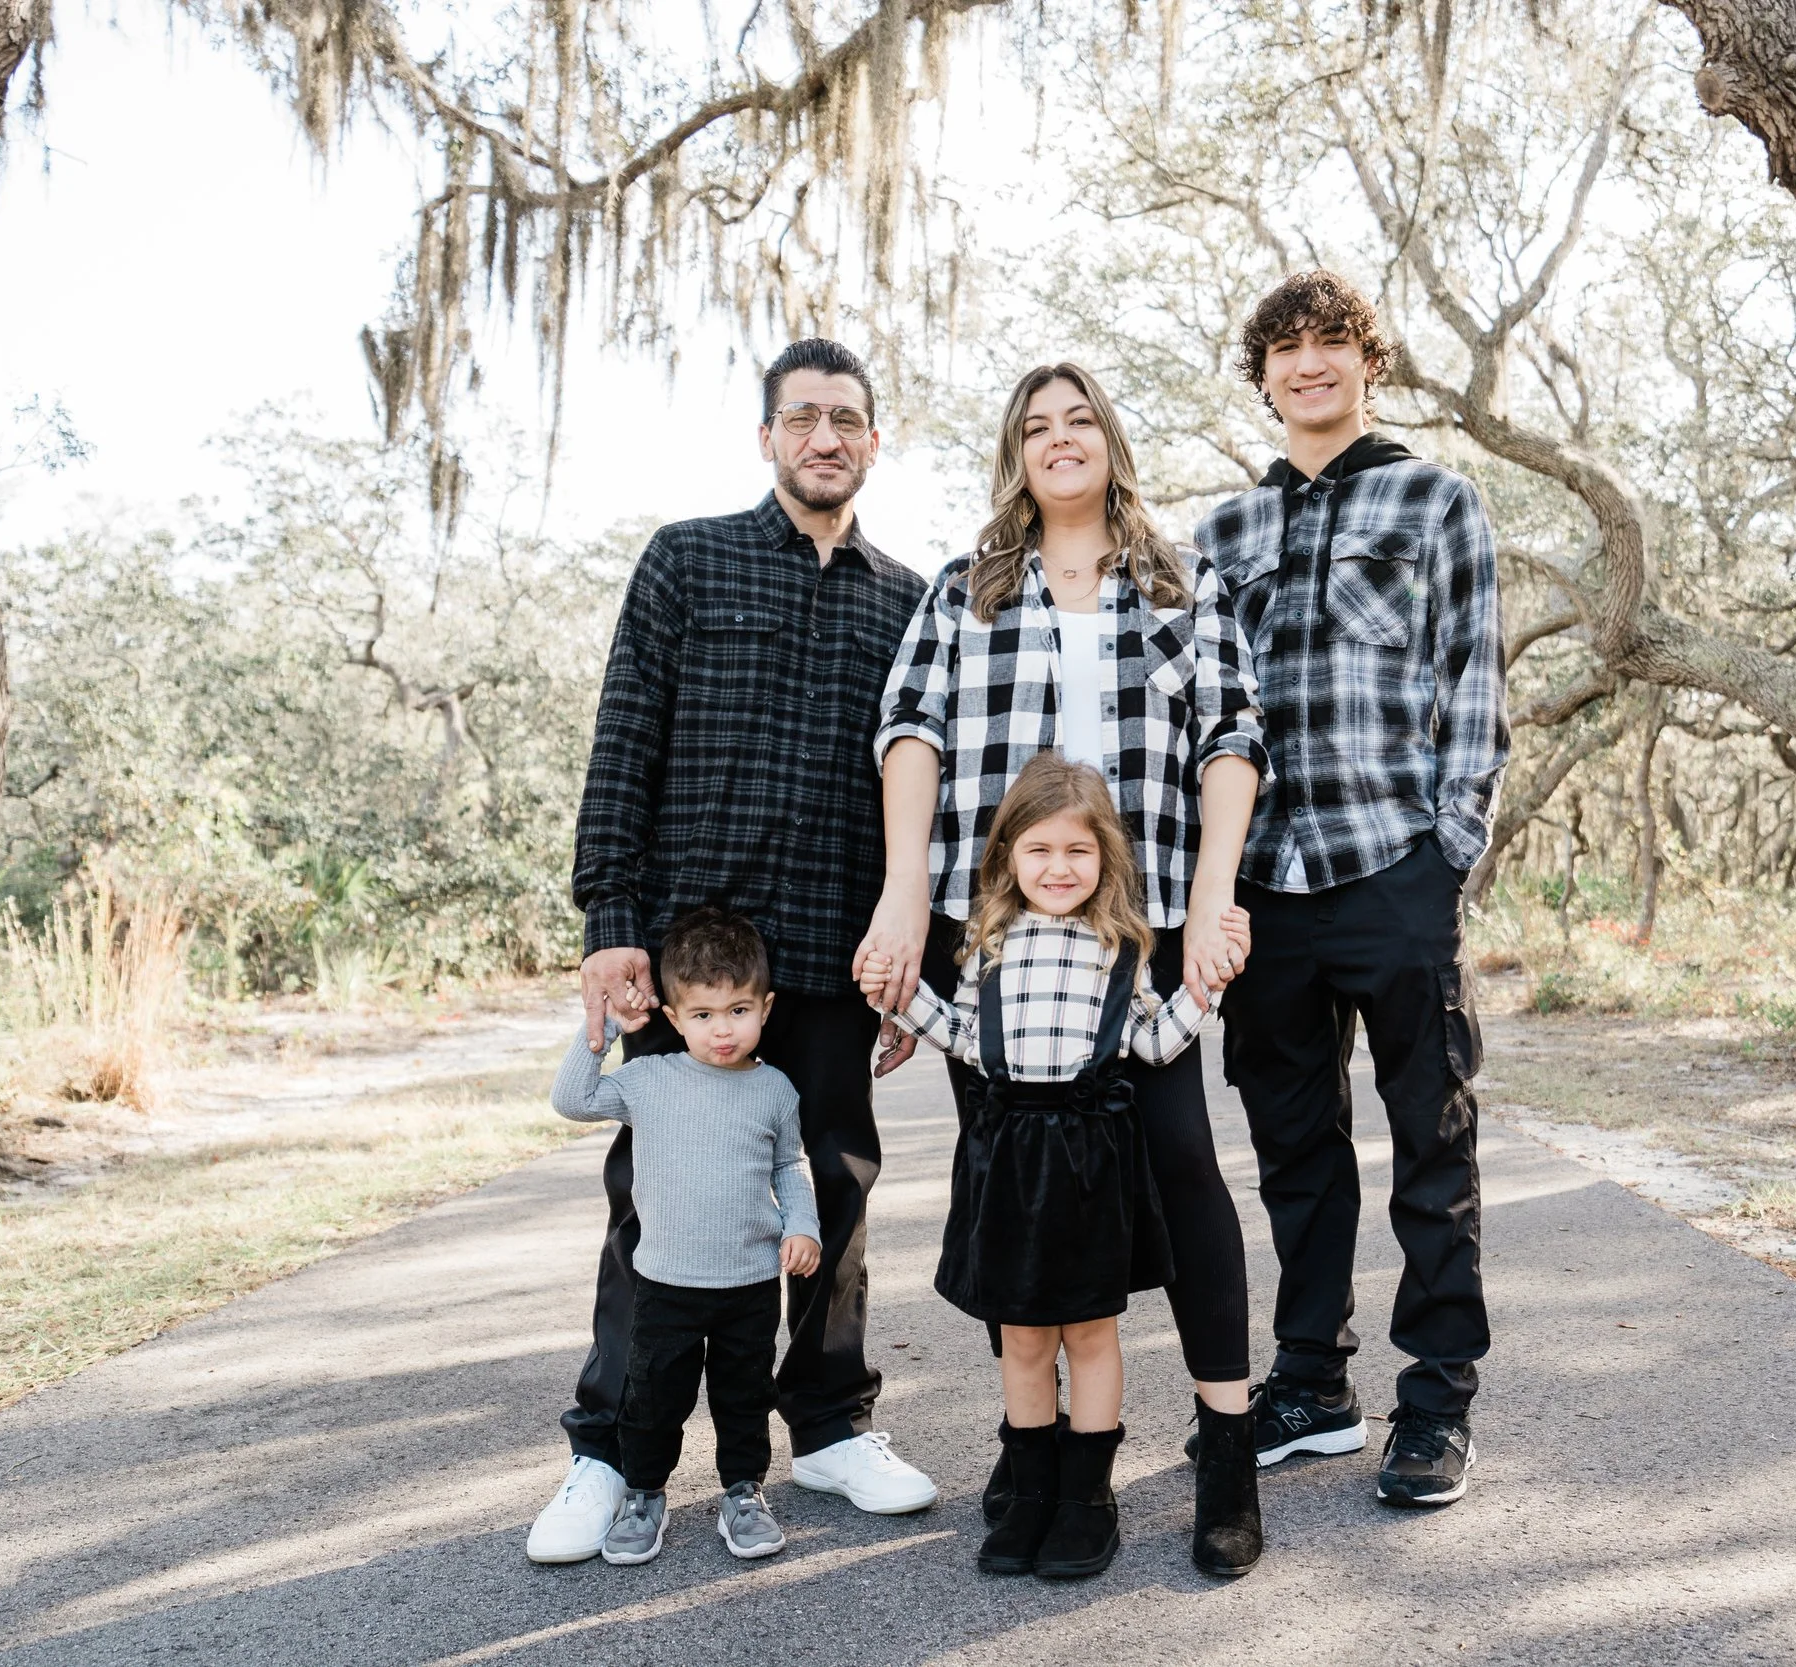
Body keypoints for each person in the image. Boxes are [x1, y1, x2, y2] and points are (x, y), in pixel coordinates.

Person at [855, 362, 1272, 1576]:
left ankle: (1227, 1444)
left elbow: (1231, 739)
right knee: (1017, 1188)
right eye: (1034, 427)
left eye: (1078, 419)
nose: (1058, 440)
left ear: (1109, 439)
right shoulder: (966, 587)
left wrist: (1208, 907)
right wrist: (898, 903)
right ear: (1015, 453)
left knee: (1184, 1170)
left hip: (1136, 929)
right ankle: (1033, 1453)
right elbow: (910, 734)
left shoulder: (1179, 584)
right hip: (989, 929)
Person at [529, 338, 938, 1566]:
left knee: (835, 1188)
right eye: (802, 417)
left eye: (847, 419)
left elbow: (929, 794)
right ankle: (611, 1447)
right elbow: (623, 745)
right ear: (767, 437)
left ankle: (826, 1426)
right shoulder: (687, 560)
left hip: (833, 948)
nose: (825, 437)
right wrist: (611, 926)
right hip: (692, 955)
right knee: (652, 1204)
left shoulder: (909, 598)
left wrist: (925, 956)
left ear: (874, 442)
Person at [1194, 271, 1510, 1509]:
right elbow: (1203, 718)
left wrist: (1450, 850)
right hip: (1264, 884)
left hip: (1393, 870)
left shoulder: (1436, 501)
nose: (1308, 363)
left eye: (1332, 343)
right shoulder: (1220, 535)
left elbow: (1472, 678)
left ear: (1367, 364)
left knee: (1432, 1146)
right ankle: (1311, 1382)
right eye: (1285, 346)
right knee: (1295, 1154)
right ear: (1262, 374)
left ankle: (1434, 1399)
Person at [860, 754, 1250, 1579]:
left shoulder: (1120, 948)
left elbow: (1148, 1043)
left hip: (1090, 1158)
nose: (1058, 867)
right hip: (1007, 1156)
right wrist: (895, 995)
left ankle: (1084, 1499)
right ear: (1006, 857)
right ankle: (1030, 1492)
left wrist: (1206, 985)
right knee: (1026, 1338)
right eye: (1038, 850)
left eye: (1078, 851)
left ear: (1105, 858)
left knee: (1090, 1330)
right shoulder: (984, 947)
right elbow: (967, 1040)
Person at [549, 909, 820, 1564]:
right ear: (674, 1016)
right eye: (702, 1014)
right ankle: (643, 1493)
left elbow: (790, 1164)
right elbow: (572, 1099)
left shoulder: (774, 1089)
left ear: (766, 1007)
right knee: (653, 1396)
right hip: (667, 1283)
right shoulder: (650, 1081)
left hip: (750, 1282)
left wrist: (802, 1223)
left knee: (745, 1394)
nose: (721, 1028)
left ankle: (743, 1491)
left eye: (737, 1009)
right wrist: (607, 1026)